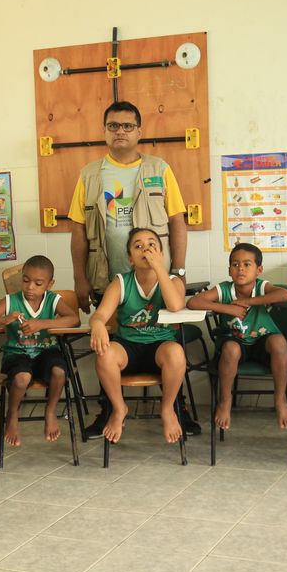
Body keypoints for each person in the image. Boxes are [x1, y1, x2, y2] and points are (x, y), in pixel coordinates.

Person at [67, 100, 197, 437]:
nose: (120, 131)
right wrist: (80, 279)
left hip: (156, 278)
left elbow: (177, 220)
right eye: (113, 125)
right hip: (107, 277)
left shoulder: (159, 169)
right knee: (106, 344)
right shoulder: (90, 174)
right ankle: (110, 410)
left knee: (168, 344)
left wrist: (178, 272)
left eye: (128, 125)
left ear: (139, 131)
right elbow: (78, 229)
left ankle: (176, 409)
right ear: (105, 131)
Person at [89, 228, 187, 444]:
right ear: (130, 259)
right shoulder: (121, 282)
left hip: (160, 346)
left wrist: (159, 268)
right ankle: (119, 408)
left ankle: (167, 409)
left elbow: (175, 306)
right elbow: (100, 315)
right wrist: (97, 324)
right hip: (128, 346)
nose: (146, 250)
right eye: (138, 246)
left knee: (177, 352)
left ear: (161, 253)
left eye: (152, 245)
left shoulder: (174, 281)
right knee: (105, 354)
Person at [0, 255, 79, 446]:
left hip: (46, 352)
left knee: (60, 372)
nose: (30, 287)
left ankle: (50, 411)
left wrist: (42, 324)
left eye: (38, 283)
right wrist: (3, 320)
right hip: (17, 354)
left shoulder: (53, 300)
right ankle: (12, 414)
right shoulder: (11, 300)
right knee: (22, 378)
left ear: (49, 284)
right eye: (26, 280)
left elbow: (74, 319)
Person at [187, 243, 287, 430]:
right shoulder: (224, 289)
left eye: (247, 264)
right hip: (235, 341)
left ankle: (280, 399)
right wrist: (227, 308)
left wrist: (248, 301)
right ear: (229, 270)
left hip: (262, 343)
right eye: (235, 264)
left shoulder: (262, 287)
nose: (240, 269)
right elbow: (194, 302)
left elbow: (285, 295)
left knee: (279, 341)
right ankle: (225, 400)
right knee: (231, 348)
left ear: (259, 270)